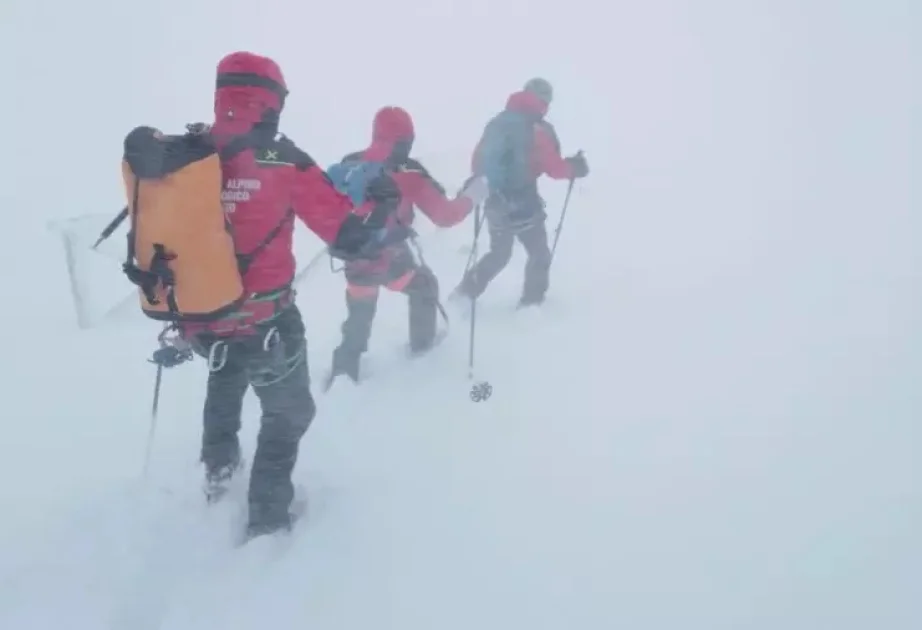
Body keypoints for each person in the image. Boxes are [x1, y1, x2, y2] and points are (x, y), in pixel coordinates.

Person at [177, 51, 390, 539]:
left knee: (224, 378)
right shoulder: (281, 158)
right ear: (270, 101)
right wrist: (378, 212)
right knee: (290, 411)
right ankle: (268, 516)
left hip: (203, 317)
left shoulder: (191, 151)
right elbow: (346, 235)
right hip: (264, 321)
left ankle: (217, 471)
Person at [327, 106, 489, 385]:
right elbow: (444, 216)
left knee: (359, 314)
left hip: (355, 257)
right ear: (406, 140)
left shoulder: (350, 162)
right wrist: (472, 197)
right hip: (390, 256)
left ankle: (344, 370)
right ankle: (422, 351)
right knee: (424, 286)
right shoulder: (410, 172)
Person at [454, 78, 589, 308]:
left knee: (499, 254)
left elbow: (478, 161)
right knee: (539, 253)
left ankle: (463, 294)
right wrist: (574, 168)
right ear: (544, 102)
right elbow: (554, 168)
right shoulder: (535, 129)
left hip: (494, 199)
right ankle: (531, 304)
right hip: (523, 202)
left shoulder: (497, 123)